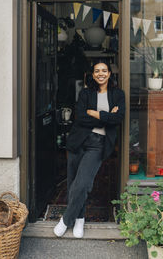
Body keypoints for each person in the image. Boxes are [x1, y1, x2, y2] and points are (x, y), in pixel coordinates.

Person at [53, 59, 125, 238]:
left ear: (109, 74)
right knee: (73, 183)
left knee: (83, 183)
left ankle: (65, 219)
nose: (100, 73)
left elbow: (118, 119)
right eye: (97, 71)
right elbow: (80, 117)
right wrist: (107, 116)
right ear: (92, 75)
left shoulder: (118, 94)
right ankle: (79, 218)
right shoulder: (86, 93)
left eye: (104, 70)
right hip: (78, 141)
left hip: (98, 143)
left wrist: (96, 113)